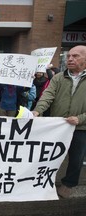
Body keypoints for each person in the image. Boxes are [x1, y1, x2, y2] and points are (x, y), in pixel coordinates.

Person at [32, 45, 86, 199]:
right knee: (50, 156)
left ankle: (69, 184)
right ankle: (42, 180)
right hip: (59, 126)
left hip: (81, 127)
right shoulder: (58, 77)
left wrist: (80, 118)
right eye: (69, 56)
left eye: (75, 56)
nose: (70, 59)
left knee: (76, 158)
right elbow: (47, 96)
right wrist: (38, 110)